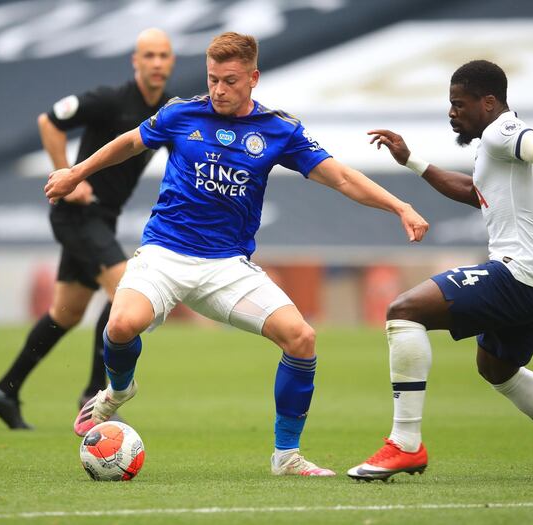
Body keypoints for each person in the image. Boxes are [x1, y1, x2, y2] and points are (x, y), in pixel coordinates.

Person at [44, 31, 429, 476]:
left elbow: (340, 177)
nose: (218, 90)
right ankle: (118, 390)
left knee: (301, 339)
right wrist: (76, 172)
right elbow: (129, 142)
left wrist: (399, 206)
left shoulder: (280, 130)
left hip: (227, 268)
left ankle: (286, 457)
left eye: (229, 81)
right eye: (212, 79)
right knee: (122, 324)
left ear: (253, 78)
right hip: (164, 254)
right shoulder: (181, 113)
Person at [347, 60, 533, 481]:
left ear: (488, 103)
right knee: (496, 369)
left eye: (459, 104)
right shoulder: (493, 147)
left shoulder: (501, 131)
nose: (452, 112)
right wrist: (411, 160)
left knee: (404, 311)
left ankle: (405, 444)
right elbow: (476, 192)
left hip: (520, 274)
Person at [0, 29, 176, 430]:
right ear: (135, 61)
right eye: (149, 55)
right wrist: (69, 175)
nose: (157, 62)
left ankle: (4, 391)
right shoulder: (110, 100)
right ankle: (93, 394)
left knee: (66, 314)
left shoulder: (166, 114)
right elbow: (49, 121)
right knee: (126, 290)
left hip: (102, 219)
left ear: (171, 62)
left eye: (163, 56)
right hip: (77, 216)